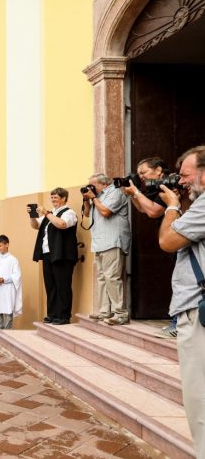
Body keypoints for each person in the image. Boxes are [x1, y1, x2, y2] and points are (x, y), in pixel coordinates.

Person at [157, 145, 205, 457]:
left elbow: (167, 240)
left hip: (199, 313)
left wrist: (172, 207)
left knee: (200, 397)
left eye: (186, 175)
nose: (181, 181)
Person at [123, 157, 177, 338]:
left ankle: (177, 323)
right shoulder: (156, 187)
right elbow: (143, 208)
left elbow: (154, 211)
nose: (141, 176)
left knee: (181, 281)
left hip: (178, 237)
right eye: (139, 174)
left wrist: (136, 192)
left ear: (158, 170)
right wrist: (132, 194)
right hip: (172, 237)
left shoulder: (168, 186)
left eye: (143, 172)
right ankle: (177, 322)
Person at [82, 174, 131, 325]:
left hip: (112, 241)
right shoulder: (97, 197)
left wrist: (94, 198)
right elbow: (86, 214)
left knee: (112, 278)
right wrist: (87, 200)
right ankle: (104, 311)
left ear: (103, 184)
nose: (90, 187)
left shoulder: (115, 193)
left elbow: (106, 212)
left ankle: (120, 313)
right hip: (99, 242)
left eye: (92, 185)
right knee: (102, 278)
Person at [29, 188, 78, 325]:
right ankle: (52, 314)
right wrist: (32, 215)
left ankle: (63, 316)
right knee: (50, 286)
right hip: (48, 254)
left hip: (63, 254)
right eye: (51, 198)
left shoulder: (69, 213)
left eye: (55, 197)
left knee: (62, 286)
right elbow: (35, 226)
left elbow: (62, 224)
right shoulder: (51, 214)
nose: (53, 200)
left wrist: (46, 213)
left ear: (64, 198)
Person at [0, 235, 22, 329]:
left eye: (0, 246)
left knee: (8, 312)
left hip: (7, 290)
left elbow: (17, 275)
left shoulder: (13, 260)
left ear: (7, 245)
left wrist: (4, 279)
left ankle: (7, 333)